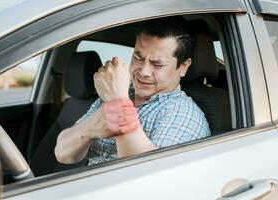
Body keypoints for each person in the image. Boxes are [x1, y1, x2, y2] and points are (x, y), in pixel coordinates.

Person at [54, 18, 211, 165]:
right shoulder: (119, 94)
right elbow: (62, 152)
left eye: (157, 64)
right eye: (138, 58)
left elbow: (148, 177)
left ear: (183, 67)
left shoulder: (184, 114)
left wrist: (118, 103)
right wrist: (88, 129)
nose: (144, 71)